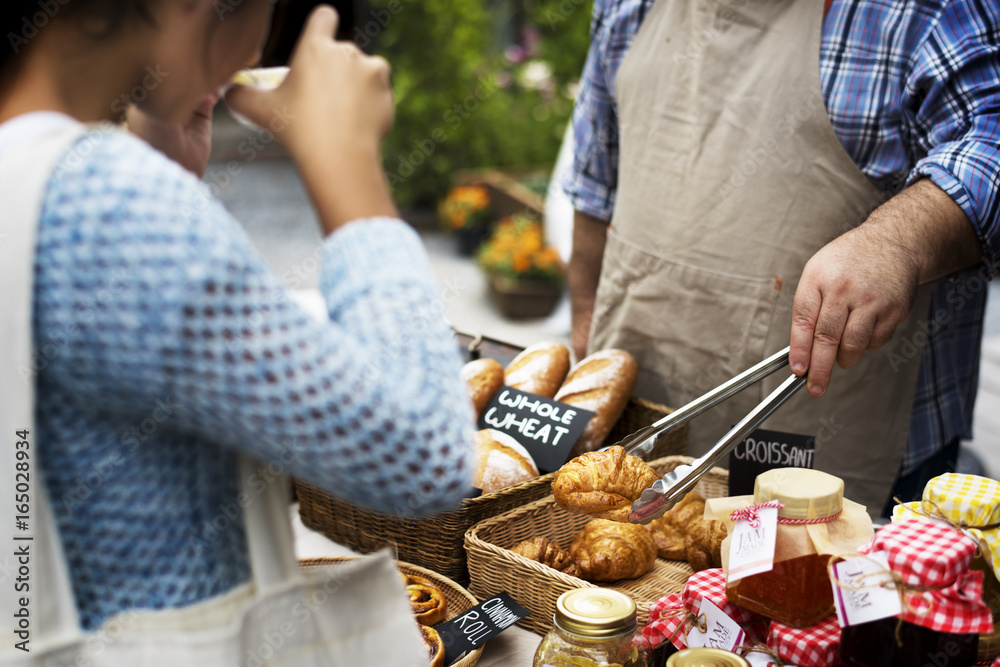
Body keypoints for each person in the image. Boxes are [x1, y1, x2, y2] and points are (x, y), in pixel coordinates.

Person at [0, 0, 474, 653]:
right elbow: (424, 456)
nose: (255, 55)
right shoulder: (110, 202)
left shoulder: (55, 179)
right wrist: (348, 163)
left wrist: (163, 178)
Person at [564, 0, 999, 515]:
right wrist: (584, 326)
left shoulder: (926, 11)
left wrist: (892, 243)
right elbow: (595, 187)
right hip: (637, 420)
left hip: (835, 435)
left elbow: (989, 143)